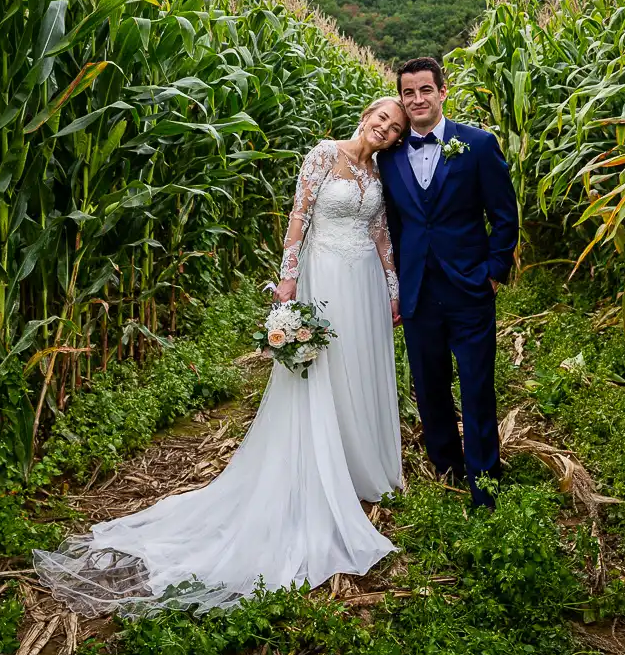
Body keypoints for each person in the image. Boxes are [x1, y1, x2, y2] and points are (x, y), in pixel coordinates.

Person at [33, 97, 410, 616]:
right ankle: (323, 467)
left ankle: (359, 462)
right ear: (366, 115)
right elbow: (298, 219)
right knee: (325, 370)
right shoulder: (324, 154)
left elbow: (380, 232)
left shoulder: (378, 171)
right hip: (325, 274)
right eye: (381, 119)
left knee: (360, 370)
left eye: (394, 129)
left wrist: (391, 286)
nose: (385, 129)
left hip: (365, 280)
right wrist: (288, 280)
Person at [377, 57, 518, 509]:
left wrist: (493, 273)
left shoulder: (477, 145)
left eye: (425, 90)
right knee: (430, 386)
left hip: (469, 289)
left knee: (477, 386)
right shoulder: (389, 155)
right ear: (401, 98)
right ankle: (447, 469)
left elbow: (504, 215)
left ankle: (485, 484)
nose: (417, 100)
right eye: (408, 93)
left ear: (442, 92)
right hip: (418, 291)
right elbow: (391, 225)